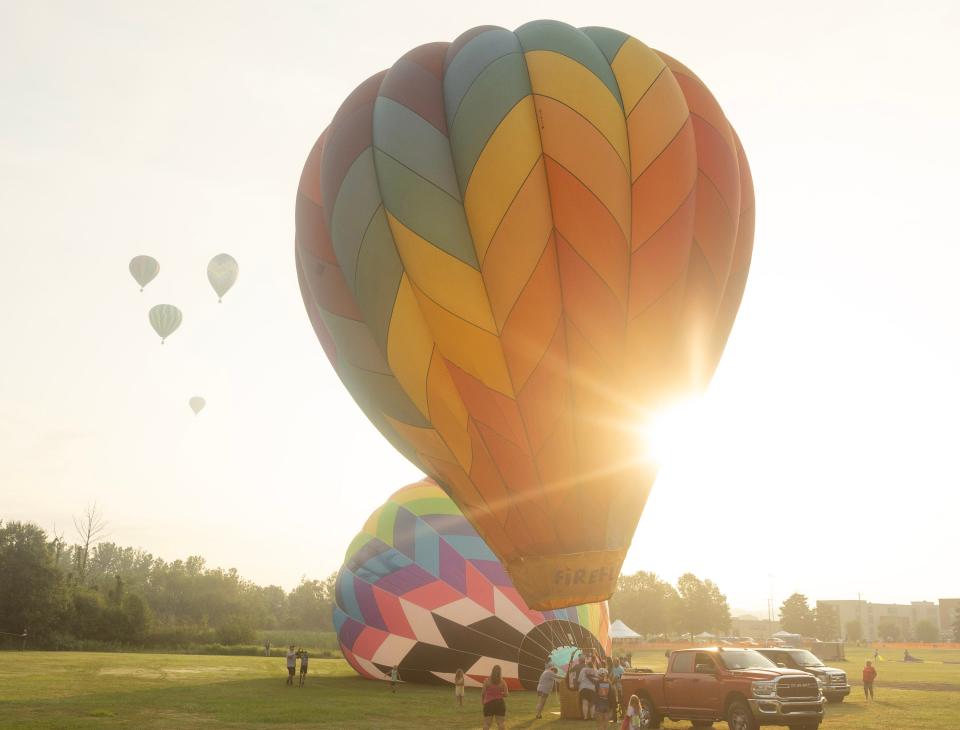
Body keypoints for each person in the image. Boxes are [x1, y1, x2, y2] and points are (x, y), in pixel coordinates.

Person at [481, 664, 508, 730]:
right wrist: (501, 693)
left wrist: (482, 701)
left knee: (487, 723)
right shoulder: (503, 682)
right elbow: (506, 694)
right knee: (501, 723)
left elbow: (483, 693)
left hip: (489, 703)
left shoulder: (487, 681)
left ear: (492, 671)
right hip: (500, 703)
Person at [611, 655, 625, 721]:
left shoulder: (621, 669)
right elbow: (612, 675)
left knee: (621, 701)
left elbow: (622, 678)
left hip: (620, 687)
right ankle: (621, 713)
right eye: (613, 662)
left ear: (617, 662)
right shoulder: (614, 668)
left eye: (614, 662)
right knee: (619, 701)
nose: (613, 663)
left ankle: (623, 713)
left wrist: (615, 680)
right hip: (615, 687)